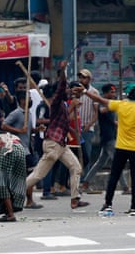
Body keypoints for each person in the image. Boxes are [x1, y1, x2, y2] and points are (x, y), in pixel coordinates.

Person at [74, 82, 135, 214]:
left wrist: (85, 92)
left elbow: (100, 100)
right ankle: (134, 207)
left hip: (121, 146)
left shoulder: (121, 105)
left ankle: (108, 204)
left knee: (114, 175)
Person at [25, 61, 89, 210]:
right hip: (53, 144)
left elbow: (67, 122)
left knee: (76, 168)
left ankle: (75, 199)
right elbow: (61, 88)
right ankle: (10, 193)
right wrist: (63, 71)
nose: (67, 91)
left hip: (60, 144)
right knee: (37, 175)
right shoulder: (55, 103)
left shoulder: (63, 105)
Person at [81, 84, 129, 194]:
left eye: (114, 92)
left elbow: (113, 121)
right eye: (111, 92)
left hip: (110, 135)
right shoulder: (103, 104)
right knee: (118, 162)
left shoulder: (112, 105)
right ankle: (125, 187)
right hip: (107, 137)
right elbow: (102, 111)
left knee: (100, 163)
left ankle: (85, 183)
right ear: (105, 93)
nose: (113, 94)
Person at [77, 69, 99, 173]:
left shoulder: (94, 92)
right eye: (80, 77)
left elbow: (96, 113)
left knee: (86, 154)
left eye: (84, 77)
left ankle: (84, 179)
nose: (81, 80)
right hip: (75, 127)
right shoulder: (76, 90)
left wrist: (89, 124)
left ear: (89, 79)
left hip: (87, 128)